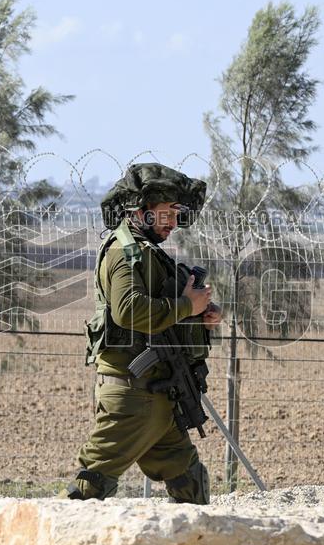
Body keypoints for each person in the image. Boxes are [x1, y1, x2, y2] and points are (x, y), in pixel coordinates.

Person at [63, 162, 221, 503]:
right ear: (141, 211)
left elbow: (159, 318)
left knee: (190, 481)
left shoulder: (149, 253)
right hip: (133, 397)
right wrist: (186, 308)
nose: (173, 222)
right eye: (167, 212)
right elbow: (129, 311)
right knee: (89, 488)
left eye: (177, 213)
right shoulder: (125, 252)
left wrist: (199, 318)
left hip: (158, 395)